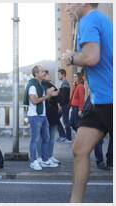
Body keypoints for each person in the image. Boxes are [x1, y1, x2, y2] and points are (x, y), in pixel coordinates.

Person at [62, 3, 112, 202]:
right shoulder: (103, 20)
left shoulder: (88, 20)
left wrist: (71, 57)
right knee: (80, 149)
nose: (66, 8)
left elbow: (91, 57)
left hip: (109, 100)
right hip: (98, 100)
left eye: (69, 3)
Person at [23, 65, 59, 171]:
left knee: (46, 138)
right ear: (36, 74)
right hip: (35, 116)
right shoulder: (33, 86)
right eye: (42, 71)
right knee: (35, 139)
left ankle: (44, 160)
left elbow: (43, 98)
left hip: (42, 116)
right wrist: (48, 96)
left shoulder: (40, 85)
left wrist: (50, 94)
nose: (44, 73)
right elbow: (34, 101)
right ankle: (33, 161)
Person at [37, 70, 61, 165]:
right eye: (46, 75)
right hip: (45, 115)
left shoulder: (50, 85)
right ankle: (41, 157)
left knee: (51, 138)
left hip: (53, 115)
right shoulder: (40, 85)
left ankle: (49, 156)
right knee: (43, 138)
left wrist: (54, 95)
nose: (48, 76)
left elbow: (58, 96)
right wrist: (50, 94)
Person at [56, 69, 72, 143]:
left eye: (59, 74)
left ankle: (68, 138)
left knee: (66, 121)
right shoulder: (63, 83)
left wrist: (60, 105)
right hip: (63, 105)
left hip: (65, 105)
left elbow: (64, 97)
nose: (58, 76)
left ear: (63, 74)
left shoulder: (65, 83)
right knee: (56, 119)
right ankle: (63, 136)